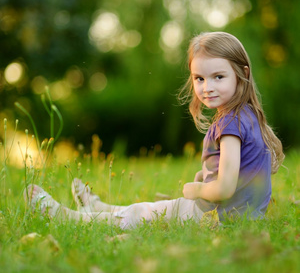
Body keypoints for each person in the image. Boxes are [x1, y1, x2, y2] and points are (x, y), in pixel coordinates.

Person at [24, 31, 284, 229]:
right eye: (199, 78)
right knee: (149, 209)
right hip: (243, 219)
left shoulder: (229, 123)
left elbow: (226, 188)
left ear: (242, 74)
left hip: (216, 218)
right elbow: (235, 173)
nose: (207, 87)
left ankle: (68, 218)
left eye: (219, 77)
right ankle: (98, 206)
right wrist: (207, 176)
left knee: (145, 214)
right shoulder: (247, 114)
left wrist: (198, 190)